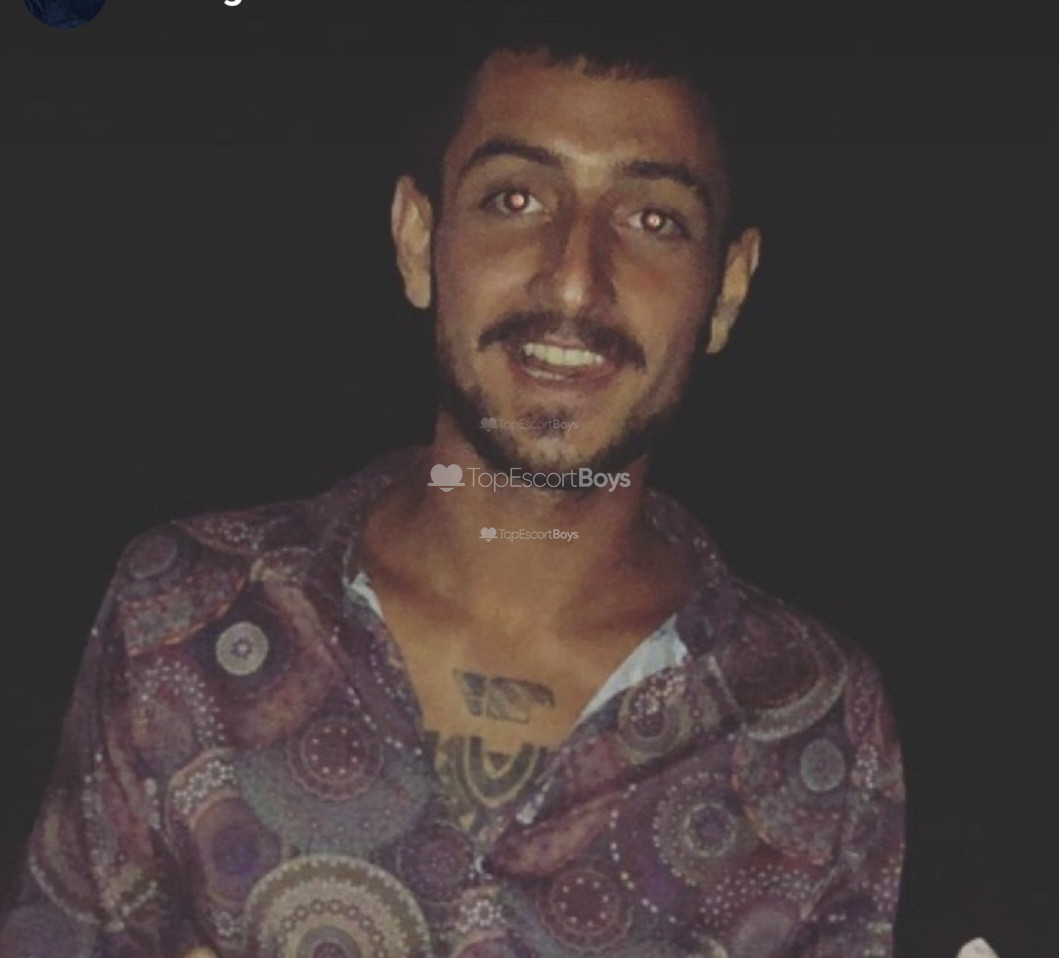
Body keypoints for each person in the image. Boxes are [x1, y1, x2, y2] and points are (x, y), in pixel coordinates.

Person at [0, 19, 905, 958]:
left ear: (726, 290)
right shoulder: (180, 617)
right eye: (515, 199)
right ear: (417, 239)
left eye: (653, 221)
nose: (574, 281)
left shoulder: (818, 720)